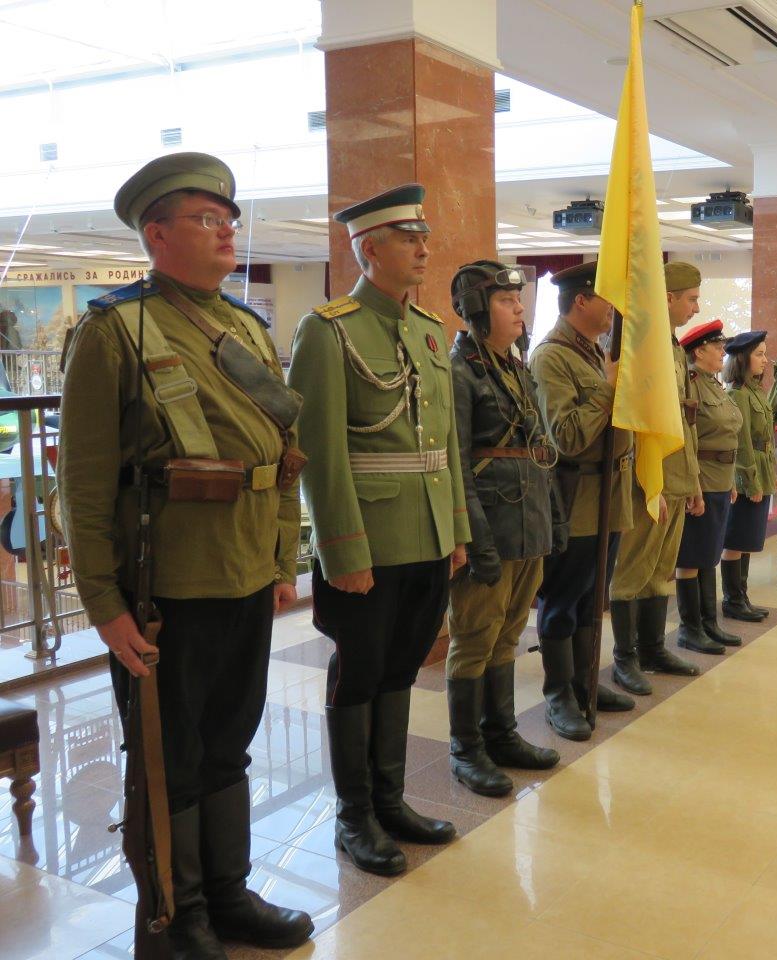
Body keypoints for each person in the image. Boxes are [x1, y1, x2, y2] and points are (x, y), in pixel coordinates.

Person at [59, 152, 313, 958]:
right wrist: (104, 604)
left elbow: (279, 458)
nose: (225, 230)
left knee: (231, 740)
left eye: (228, 218)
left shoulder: (244, 326)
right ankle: (178, 913)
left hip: (241, 575)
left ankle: (230, 895)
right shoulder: (114, 330)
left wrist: (279, 560)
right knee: (169, 755)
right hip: (164, 586)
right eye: (206, 220)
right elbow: (85, 483)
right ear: (156, 234)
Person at [290, 184, 467, 877]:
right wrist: (340, 549)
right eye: (407, 238)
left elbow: (445, 440)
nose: (424, 248)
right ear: (368, 250)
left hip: (424, 534)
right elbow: (320, 450)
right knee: (359, 674)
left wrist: (453, 528)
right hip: (367, 538)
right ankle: (354, 816)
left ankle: (391, 801)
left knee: (401, 669)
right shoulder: (328, 329)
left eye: (423, 235)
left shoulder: (428, 329)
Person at [445, 260, 563, 797]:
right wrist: (475, 538)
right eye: (505, 301)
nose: (520, 308)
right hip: (489, 526)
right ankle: (466, 748)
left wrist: (553, 518)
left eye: (519, 301)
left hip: (528, 521)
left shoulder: (515, 367)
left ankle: (502, 733)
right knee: (474, 638)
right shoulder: (461, 372)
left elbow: (538, 450)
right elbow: (456, 462)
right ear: (475, 309)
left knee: (509, 635)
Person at [529, 261, 636, 742]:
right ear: (581, 301)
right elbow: (567, 437)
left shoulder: (594, 354)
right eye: (607, 299)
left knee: (595, 596)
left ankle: (584, 679)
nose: (614, 309)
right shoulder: (552, 357)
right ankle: (558, 695)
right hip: (576, 498)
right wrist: (609, 391)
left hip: (608, 495)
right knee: (563, 599)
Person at [608, 261, 703, 694]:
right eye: (690, 299)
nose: (695, 308)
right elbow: (638, 424)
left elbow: (684, 421)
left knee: (661, 569)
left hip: (678, 476)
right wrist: (653, 486)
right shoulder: (646, 347)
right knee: (633, 570)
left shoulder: (673, 347)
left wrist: (693, 481)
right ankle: (624, 658)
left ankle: (651, 648)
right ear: (667, 298)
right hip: (652, 480)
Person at [673, 320, 743, 654]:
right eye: (717, 347)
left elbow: (728, 431)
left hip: (720, 478)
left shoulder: (714, 385)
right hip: (700, 477)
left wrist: (729, 481)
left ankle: (709, 623)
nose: (723, 353)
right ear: (699, 350)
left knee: (708, 555)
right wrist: (693, 484)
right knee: (691, 556)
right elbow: (688, 439)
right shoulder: (690, 384)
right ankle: (690, 628)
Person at [721, 330, 774, 621]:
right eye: (759, 354)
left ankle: (742, 595)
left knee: (749, 539)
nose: (765, 360)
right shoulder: (737, 394)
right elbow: (741, 443)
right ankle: (732, 599)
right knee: (737, 539)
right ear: (742, 359)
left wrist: (770, 476)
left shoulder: (756, 390)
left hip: (761, 470)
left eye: (765, 353)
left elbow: (765, 437)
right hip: (746, 476)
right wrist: (750, 482)